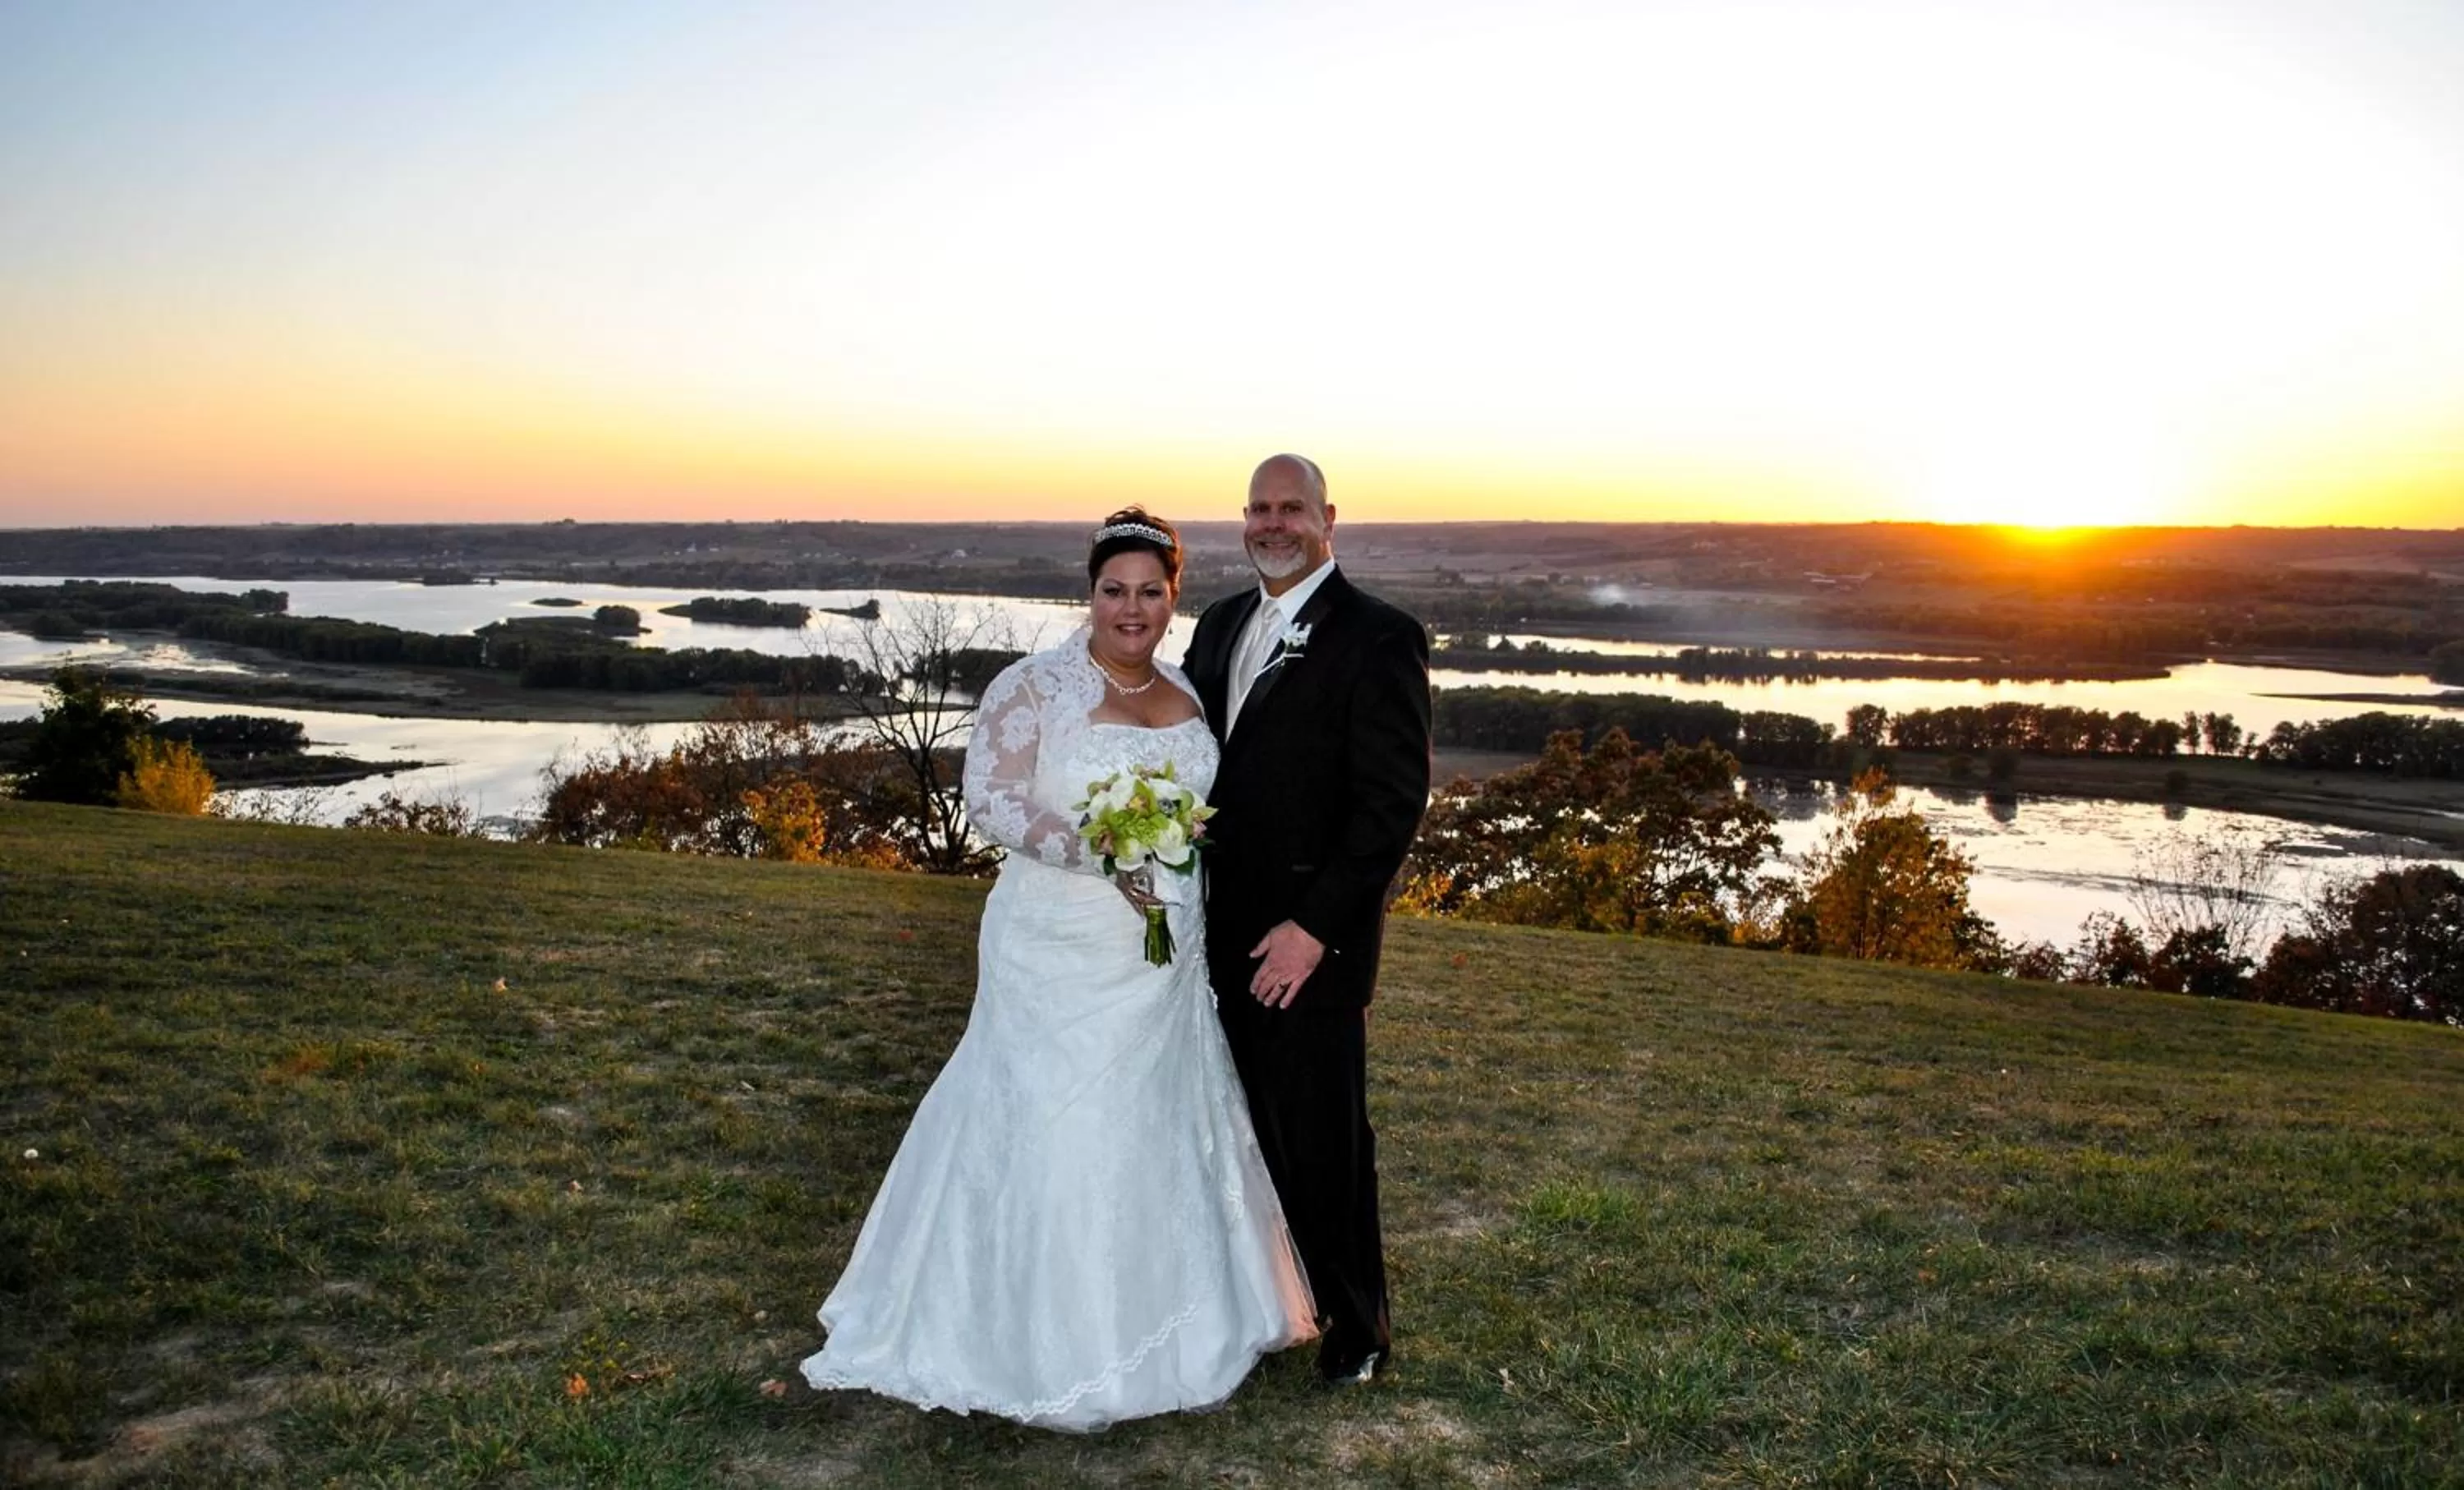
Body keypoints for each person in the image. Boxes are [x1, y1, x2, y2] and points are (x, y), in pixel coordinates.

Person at [800, 508, 1315, 1432]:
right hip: (1055, 940)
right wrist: (1102, 852)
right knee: (1046, 1112)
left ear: (1173, 597)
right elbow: (991, 801)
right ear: (1089, 593)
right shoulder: (1031, 686)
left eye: (1150, 592)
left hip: (1164, 947)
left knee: (1154, 1113)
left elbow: (1212, 811)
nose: (1132, 607)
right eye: (1114, 589)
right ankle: (1024, 1330)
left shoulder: (1192, 694)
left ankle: (1178, 1317)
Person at [1182, 454, 1432, 1386]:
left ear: (1330, 518)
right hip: (1210, 931)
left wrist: (1313, 929)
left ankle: (1357, 1326)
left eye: (1291, 507)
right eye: (1258, 507)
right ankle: (1261, 1299)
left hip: (1309, 944)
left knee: (1324, 1138)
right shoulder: (1218, 624)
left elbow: (1389, 806)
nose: (1272, 522)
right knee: (1235, 1127)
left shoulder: (1379, 637)